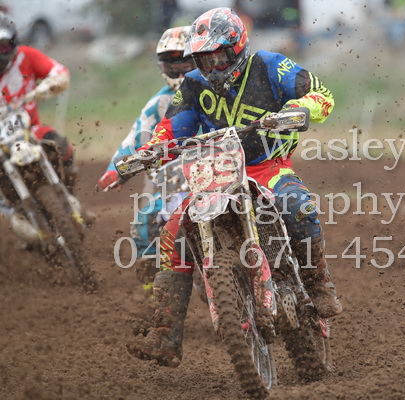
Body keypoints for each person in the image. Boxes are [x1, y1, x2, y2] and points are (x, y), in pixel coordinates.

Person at [126, 7, 342, 368]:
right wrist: (151, 149)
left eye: (218, 57)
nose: (212, 67)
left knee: (297, 206)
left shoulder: (269, 65)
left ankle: (318, 284)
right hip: (214, 171)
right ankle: (165, 335)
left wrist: (301, 110)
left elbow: (320, 93)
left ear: (237, 47)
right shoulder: (193, 84)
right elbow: (173, 126)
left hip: (268, 167)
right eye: (204, 60)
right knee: (172, 233)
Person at [0, 10, 72, 272]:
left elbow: (59, 71)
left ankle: (70, 204)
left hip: (30, 128)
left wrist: (49, 86)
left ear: (14, 42)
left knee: (63, 148)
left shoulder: (28, 56)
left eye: (4, 45)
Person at [96, 26, 196, 293]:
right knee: (145, 221)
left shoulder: (217, 89)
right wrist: (116, 168)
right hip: (176, 181)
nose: (179, 70)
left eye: (184, 62)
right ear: (163, 67)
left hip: (222, 171)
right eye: (172, 64)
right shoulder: (159, 103)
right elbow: (136, 138)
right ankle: (156, 291)